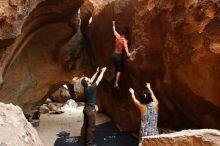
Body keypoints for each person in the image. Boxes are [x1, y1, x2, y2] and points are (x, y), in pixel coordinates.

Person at [78, 67, 107, 146]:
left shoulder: (86, 88)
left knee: (85, 126)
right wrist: (102, 72)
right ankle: (89, 144)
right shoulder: (91, 88)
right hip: (91, 111)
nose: (90, 79)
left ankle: (81, 141)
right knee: (91, 128)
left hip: (86, 109)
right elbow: (98, 80)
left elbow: (91, 80)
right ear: (87, 82)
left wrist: (96, 72)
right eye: (88, 79)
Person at [112, 21, 131, 89]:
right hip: (118, 56)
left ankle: (113, 74)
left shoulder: (118, 36)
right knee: (119, 70)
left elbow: (114, 30)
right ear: (125, 34)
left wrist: (113, 23)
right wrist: (128, 54)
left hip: (113, 55)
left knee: (115, 66)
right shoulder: (124, 41)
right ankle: (116, 83)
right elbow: (126, 48)